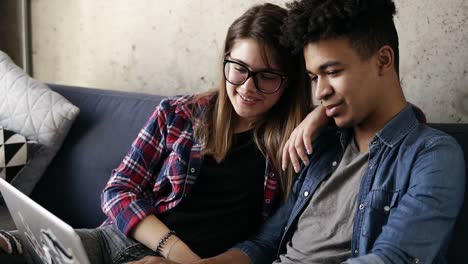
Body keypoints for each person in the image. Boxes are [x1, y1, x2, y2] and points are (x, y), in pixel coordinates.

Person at [0, 3, 317, 264]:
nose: (248, 87)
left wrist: (316, 117)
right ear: (225, 62)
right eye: (239, 68)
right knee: (10, 247)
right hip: (119, 240)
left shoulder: (293, 146)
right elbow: (118, 191)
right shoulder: (178, 114)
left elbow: (265, 241)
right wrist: (174, 253)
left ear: (289, 81)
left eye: (267, 76)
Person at [182, 0, 464, 263]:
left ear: (383, 61)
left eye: (333, 72)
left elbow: (392, 258)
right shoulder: (322, 144)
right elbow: (267, 242)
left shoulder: (433, 156)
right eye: (314, 77)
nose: (320, 92)